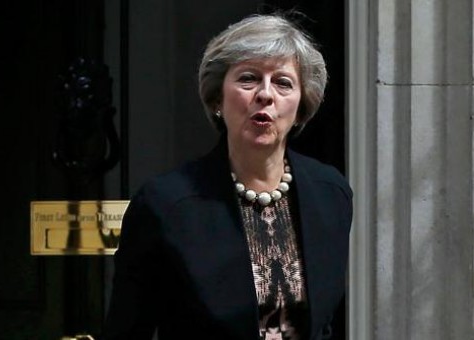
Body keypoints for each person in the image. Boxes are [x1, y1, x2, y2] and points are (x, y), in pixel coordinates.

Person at [102, 13, 353, 340]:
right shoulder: (166, 205)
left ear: (302, 106)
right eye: (248, 79)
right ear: (217, 99)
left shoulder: (330, 194)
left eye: (283, 82)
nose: (266, 94)